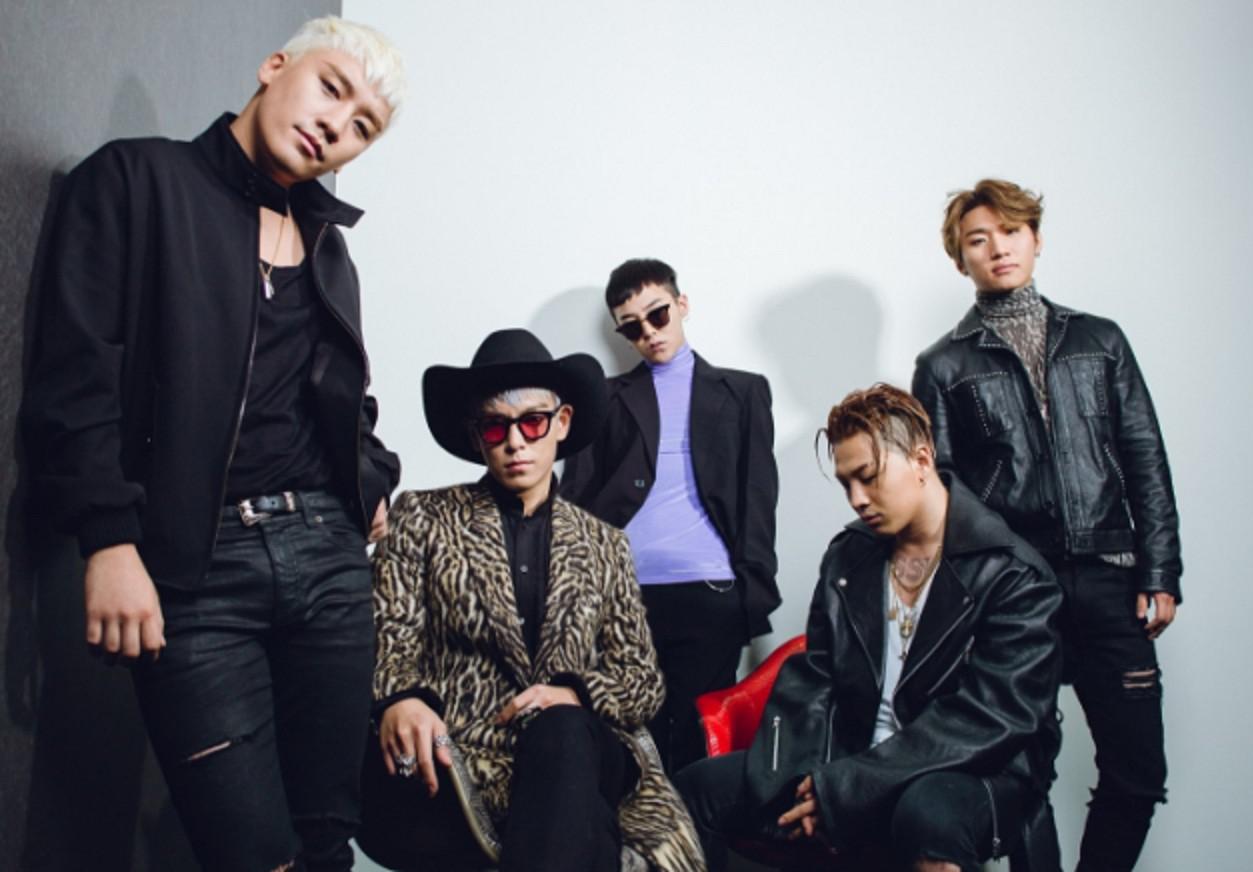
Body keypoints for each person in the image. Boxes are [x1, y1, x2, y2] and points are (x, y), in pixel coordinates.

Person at [24, 16, 405, 871]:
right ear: (275, 66)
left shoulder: (328, 248)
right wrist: (109, 540)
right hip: (195, 570)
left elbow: (344, 398)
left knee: (326, 838)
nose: (335, 125)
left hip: (329, 562)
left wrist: (370, 478)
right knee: (250, 850)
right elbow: (76, 378)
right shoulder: (135, 179)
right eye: (331, 88)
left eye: (361, 126)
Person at [676, 384, 1063, 872]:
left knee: (928, 814)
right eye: (846, 484)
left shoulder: (1014, 574)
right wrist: (801, 777)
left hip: (968, 769)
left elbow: (990, 716)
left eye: (868, 477)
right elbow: (815, 675)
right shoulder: (849, 555)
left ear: (921, 459)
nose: (857, 499)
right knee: (692, 790)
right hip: (851, 753)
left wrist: (852, 786)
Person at [359, 328, 705, 872]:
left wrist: (574, 692)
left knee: (561, 730)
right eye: (496, 426)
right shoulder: (422, 517)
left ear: (561, 423)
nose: (516, 441)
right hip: (466, 757)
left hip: (585, 747)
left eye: (533, 422)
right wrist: (401, 698)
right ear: (477, 436)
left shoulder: (605, 544)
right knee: (582, 830)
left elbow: (641, 680)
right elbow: (387, 634)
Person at [912, 178, 1183, 871]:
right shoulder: (942, 366)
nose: (997, 248)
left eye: (1010, 232)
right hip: (1016, 590)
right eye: (978, 240)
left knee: (1138, 772)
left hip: (1113, 579)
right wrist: (977, 588)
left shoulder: (1100, 340)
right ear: (960, 259)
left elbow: (1144, 457)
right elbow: (941, 490)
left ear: (1035, 238)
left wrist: (1160, 571)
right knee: (1021, 770)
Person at [563, 258, 780, 773]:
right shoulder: (605, 399)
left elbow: (758, 500)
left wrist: (749, 599)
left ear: (682, 305)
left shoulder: (743, 392)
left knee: (695, 744)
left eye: (658, 314)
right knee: (626, 744)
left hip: (709, 592)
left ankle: (694, 830)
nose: (649, 333)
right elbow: (575, 498)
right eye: (632, 327)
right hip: (622, 595)